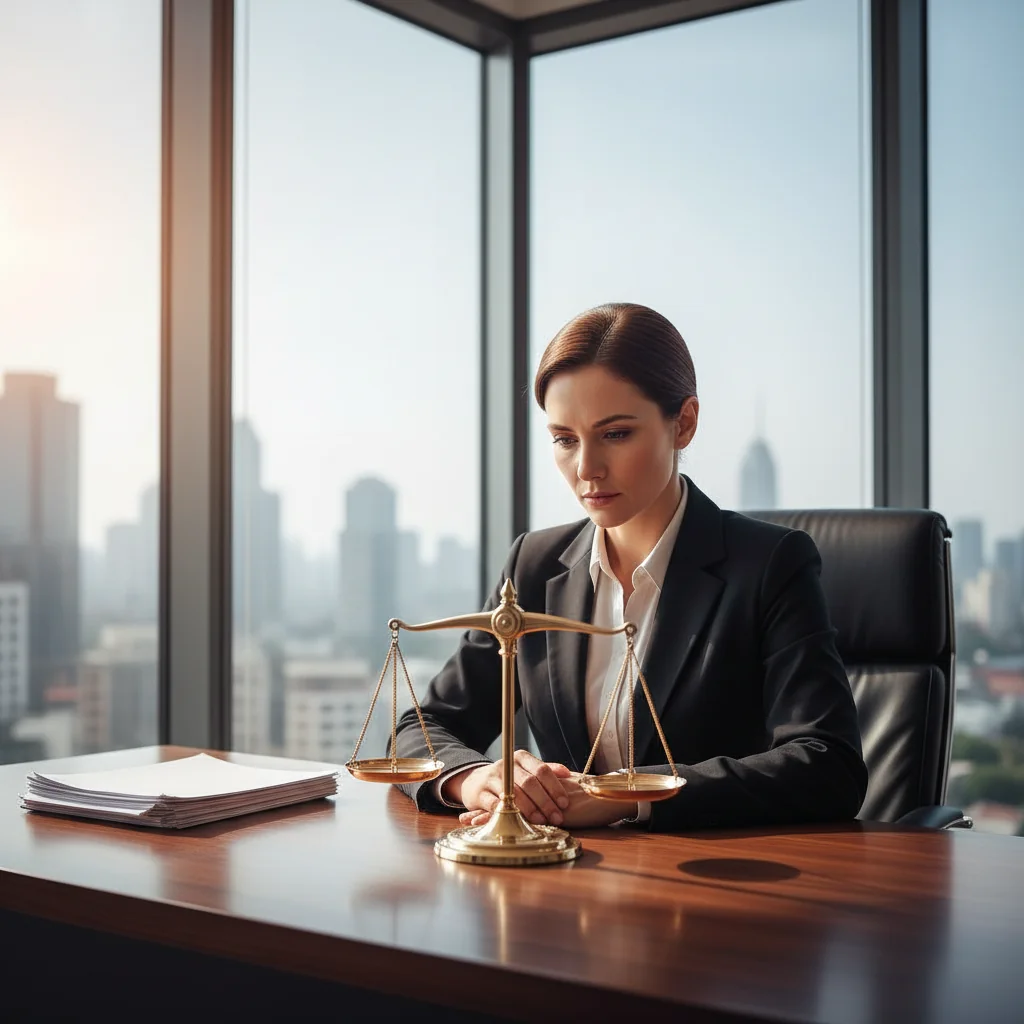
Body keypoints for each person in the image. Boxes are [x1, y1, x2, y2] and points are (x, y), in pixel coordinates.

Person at [393, 302, 867, 832]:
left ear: (683, 423)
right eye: (564, 440)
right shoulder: (534, 564)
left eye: (615, 434)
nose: (587, 469)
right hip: (567, 886)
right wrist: (475, 778)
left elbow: (828, 764)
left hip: (718, 885)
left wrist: (625, 798)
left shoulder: (770, 565)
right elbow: (422, 725)